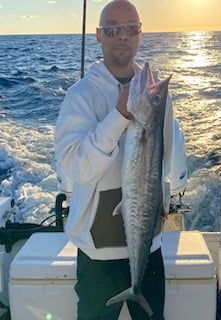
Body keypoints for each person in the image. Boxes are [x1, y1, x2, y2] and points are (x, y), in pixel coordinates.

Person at [55, 1, 179, 319]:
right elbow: (73, 169)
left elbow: (164, 161)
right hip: (98, 256)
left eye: (130, 29)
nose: (122, 36)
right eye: (112, 29)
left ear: (140, 34)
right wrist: (119, 116)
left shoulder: (157, 95)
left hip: (148, 249)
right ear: (98, 36)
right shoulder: (80, 96)